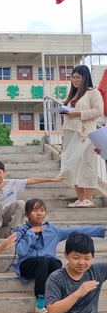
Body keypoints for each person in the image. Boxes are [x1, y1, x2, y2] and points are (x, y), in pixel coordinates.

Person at [13, 198, 106, 313]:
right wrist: (31, 233)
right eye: (35, 210)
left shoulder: (52, 230)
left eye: (42, 210)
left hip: (45, 266)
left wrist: (101, 229)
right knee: (43, 261)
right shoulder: (21, 231)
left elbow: (75, 231)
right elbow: (21, 251)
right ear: (27, 214)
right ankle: (41, 304)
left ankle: (57, 299)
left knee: (55, 262)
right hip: (27, 265)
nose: (39, 213)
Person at [0, 160, 64, 240]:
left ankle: (14, 230)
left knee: (20, 203)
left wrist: (52, 179)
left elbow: (32, 180)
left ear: (4, 172)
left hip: (7, 215)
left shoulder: (12, 183)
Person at [58, 65, 103, 208]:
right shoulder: (73, 93)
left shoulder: (93, 92)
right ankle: (80, 198)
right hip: (71, 133)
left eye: (78, 77)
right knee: (73, 165)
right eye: (73, 77)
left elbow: (98, 111)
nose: (75, 80)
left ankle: (88, 199)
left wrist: (77, 113)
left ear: (85, 78)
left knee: (87, 164)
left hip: (86, 133)